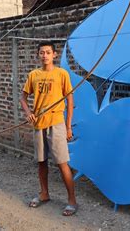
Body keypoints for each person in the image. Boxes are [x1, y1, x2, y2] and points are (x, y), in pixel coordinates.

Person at [20, 41, 77, 216]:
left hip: (56, 123)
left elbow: (70, 101)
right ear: (38, 55)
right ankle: (44, 194)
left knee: (62, 163)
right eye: (41, 52)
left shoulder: (62, 74)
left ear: (54, 54)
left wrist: (68, 127)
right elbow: (23, 97)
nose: (44, 55)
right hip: (39, 125)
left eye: (47, 52)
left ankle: (72, 200)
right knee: (41, 161)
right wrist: (28, 112)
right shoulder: (34, 75)